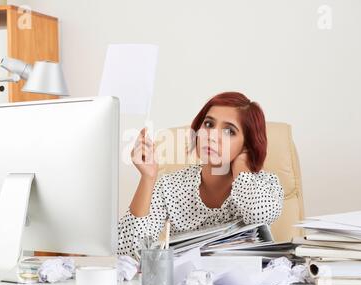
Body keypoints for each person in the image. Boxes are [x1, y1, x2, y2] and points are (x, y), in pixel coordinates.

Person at [118, 92, 284, 258]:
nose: (211, 135)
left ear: (247, 145)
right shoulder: (170, 186)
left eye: (229, 131)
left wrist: (241, 166)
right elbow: (128, 251)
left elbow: (261, 214)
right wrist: (148, 178)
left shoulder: (266, 183)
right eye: (209, 124)